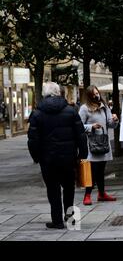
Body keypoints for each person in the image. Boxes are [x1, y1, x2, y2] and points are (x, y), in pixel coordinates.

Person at [27, 82, 88, 229]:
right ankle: (71, 219)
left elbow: (33, 139)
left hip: (48, 160)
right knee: (69, 188)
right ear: (59, 92)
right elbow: (80, 135)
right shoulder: (71, 111)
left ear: (45, 93)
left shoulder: (37, 113)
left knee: (52, 190)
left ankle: (57, 221)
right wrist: (83, 153)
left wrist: (36, 156)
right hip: (68, 157)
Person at [79, 85, 120, 205]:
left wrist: (115, 120)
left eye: (97, 93)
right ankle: (87, 195)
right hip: (92, 144)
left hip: (103, 142)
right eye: (93, 94)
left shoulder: (104, 107)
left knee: (101, 170)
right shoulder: (84, 108)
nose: (96, 96)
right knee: (92, 171)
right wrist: (91, 126)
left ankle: (102, 193)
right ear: (88, 96)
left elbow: (110, 125)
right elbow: (79, 126)